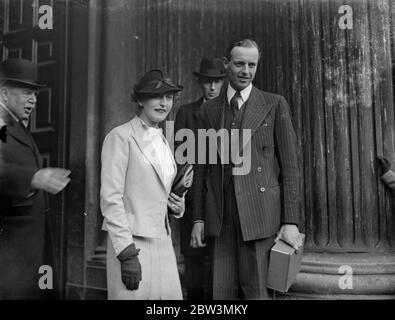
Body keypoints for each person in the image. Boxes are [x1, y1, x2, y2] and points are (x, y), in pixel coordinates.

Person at [190, 39, 304, 299]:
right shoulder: (209, 110)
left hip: (260, 216)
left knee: (258, 295)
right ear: (226, 64)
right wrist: (198, 218)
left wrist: (290, 221)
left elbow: (290, 168)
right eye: (240, 64)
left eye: (252, 65)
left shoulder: (274, 104)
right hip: (220, 218)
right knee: (221, 296)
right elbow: (201, 169)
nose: (246, 71)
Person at [100, 69, 187, 300]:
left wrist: (177, 207)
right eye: (156, 96)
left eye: (169, 97)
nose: (164, 103)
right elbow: (111, 198)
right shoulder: (120, 137)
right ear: (140, 100)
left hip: (163, 242)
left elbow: (158, 191)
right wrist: (127, 253)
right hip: (132, 243)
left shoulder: (162, 140)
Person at [0, 58, 71, 299]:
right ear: (4, 93)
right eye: (26, 92)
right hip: (10, 249)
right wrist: (32, 177)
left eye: (35, 93)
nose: (33, 99)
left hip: (26, 248)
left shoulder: (16, 124)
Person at [174, 57, 226, 300]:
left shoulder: (231, 113)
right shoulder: (186, 114)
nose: (212, 88)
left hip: (222, 205)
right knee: (194, 272)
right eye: (208, 82)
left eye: (217, 82)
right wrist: (195, 215)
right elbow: (183, 165)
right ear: (200, 83)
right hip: (194, 199)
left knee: (221, 274)